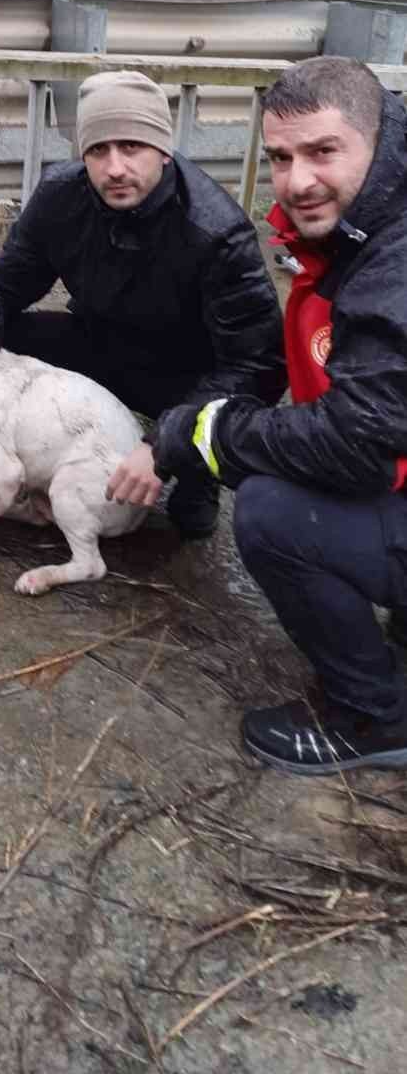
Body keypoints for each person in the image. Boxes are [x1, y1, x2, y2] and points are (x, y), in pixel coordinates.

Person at [151, 55, 407, 775]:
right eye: (280, 158)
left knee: (274, 511)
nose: (296, 182)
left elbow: (356, 440)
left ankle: (373, 718)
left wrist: (203, 432)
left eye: (323, 152)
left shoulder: (393, 265)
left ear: (376, 141)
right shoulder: (368, 229)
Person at [0, 69, 285, 538]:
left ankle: (195, 475)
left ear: (164, 150)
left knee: (188, 520)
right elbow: (4, 289)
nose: (115, 168)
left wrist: (168, 441)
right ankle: (19, 450)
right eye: (99, 150)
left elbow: (257, 365)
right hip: (98, 341)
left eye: (132, 147)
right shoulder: (61, 196)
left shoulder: (217, 231)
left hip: (183, 373)